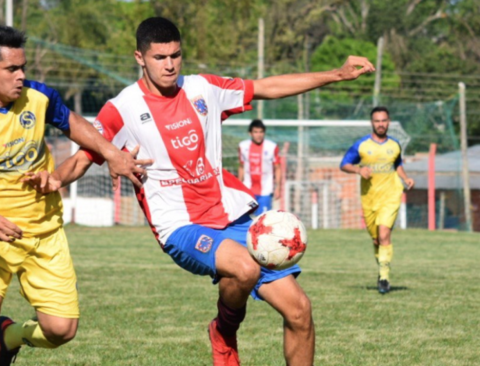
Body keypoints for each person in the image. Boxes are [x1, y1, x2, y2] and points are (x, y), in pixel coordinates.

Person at [24, 17, 375, 366]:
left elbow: (267, 86)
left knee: (300, 311)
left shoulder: (203, 88)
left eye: (175, 55)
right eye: (160, 57)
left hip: (234, 214)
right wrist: (56, 179)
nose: (170, 65)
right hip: (180, 225)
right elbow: (86, 154)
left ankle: (226, 328)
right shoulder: (123, 108)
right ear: (139, 57)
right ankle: (224, 331)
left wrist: (336, 75)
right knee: (244, 269)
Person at [0, 25, 147, 366]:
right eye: (12, 69)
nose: (21, 76)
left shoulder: (37, 98)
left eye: (23, 67)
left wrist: (113, 154)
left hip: (44, 234)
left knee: (61, 330)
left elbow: (74, 124)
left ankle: (8, 338)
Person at [340, 106, 414, 294]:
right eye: (377, 121)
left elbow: (397, 164)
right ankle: (382, 268)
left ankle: (384, 277)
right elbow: (344, 164)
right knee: (376, 240)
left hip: (391, 195)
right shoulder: (362, 145)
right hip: (369, 198)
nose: (381, 124)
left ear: (389, 122)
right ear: (372, 123)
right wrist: (359, 170)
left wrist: (405, 178)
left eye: (384, 120)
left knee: (384, 235)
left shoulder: (395, 145)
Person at [238, 119, 281, 215]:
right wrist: (239, 186)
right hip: (248, 189)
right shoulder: (243, 146)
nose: (259, 135)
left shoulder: (272, 147)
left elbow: (278, 167)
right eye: (256, 132)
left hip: (265, 190)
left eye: (261, 132)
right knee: (247, 219)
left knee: (263, 220)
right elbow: (241, 166)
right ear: (250, 133)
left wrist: (278, 187)